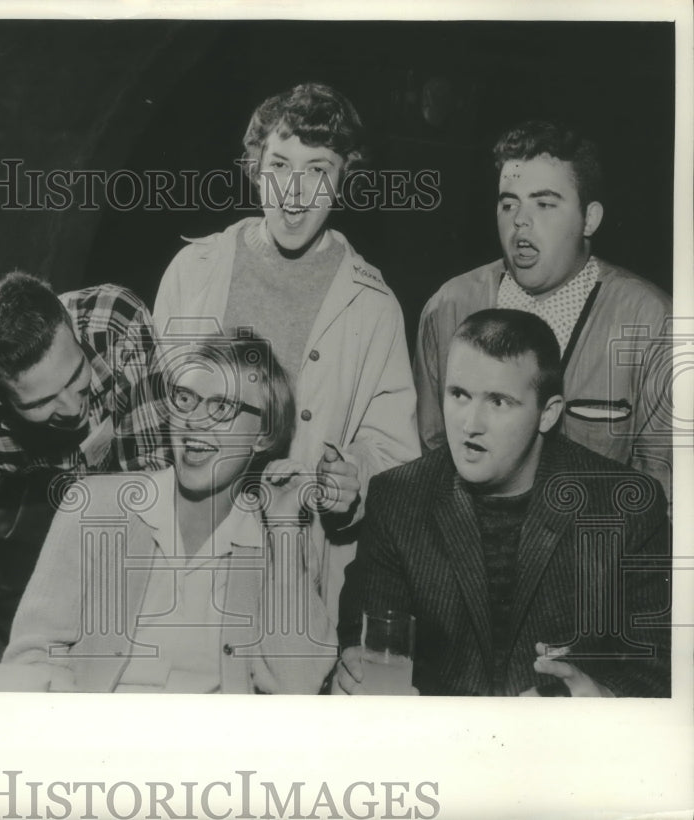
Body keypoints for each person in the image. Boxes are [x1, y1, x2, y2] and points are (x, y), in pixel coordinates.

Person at [153, 82, 420, 624]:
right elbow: (156, 412)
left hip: (298, 562)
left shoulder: (373, 305)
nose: (293, 192)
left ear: (346, 180)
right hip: (193, 545)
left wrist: (354, 476)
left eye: (318, 169)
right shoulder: (194, 270)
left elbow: (393, 451)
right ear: (254, 167)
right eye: (279, 164)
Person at [336, 309, 670, 697]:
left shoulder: (625, 506)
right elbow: (368, 643)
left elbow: (662, 671)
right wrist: (356, 675)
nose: (470, 423)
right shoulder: (398, 499)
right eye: (458, 394)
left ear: (548, 414)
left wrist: (599, 697)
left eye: (498, 402)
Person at [0, 334, 338, 693]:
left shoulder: (280, 541)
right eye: (186, 399)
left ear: (263, 436)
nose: (195, 421)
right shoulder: (94, 506)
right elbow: (31, 658)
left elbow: (299, 686)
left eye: (222, 408)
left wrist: (284, 527)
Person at [414, 120, 672, 504]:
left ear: (591, 218)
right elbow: (431, 456)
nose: (520, 219)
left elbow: (661, 487)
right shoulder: (449, 307)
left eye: (545, 203)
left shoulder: (652, 322)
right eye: (508, 203)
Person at [0, 272, 167, 661]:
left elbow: (150, 486)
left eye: (76, 378)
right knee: (15, 627)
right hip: (19, 485)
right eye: (41, 403)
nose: (74, 409)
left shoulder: (114, 321)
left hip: (120, 471)